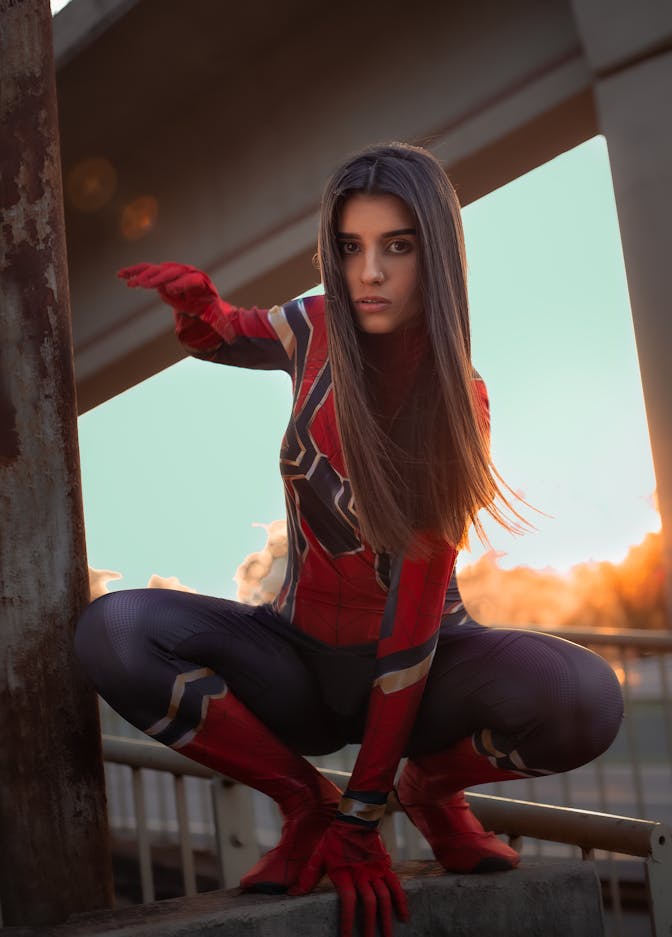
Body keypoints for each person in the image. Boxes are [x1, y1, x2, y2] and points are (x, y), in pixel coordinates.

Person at [75, 142, 623, 937]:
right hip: (296, 659)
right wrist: (198, 305)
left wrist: (366, 819)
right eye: (349, 246)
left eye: (396, 246)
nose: (368, 272)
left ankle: (431, 789)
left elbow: (409, 636)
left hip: (424, 668)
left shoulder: (457, 401)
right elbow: (228, 334)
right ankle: (302, 802)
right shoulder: (314, 323)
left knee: (585, 698)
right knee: (113, 631)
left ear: (435, 255)